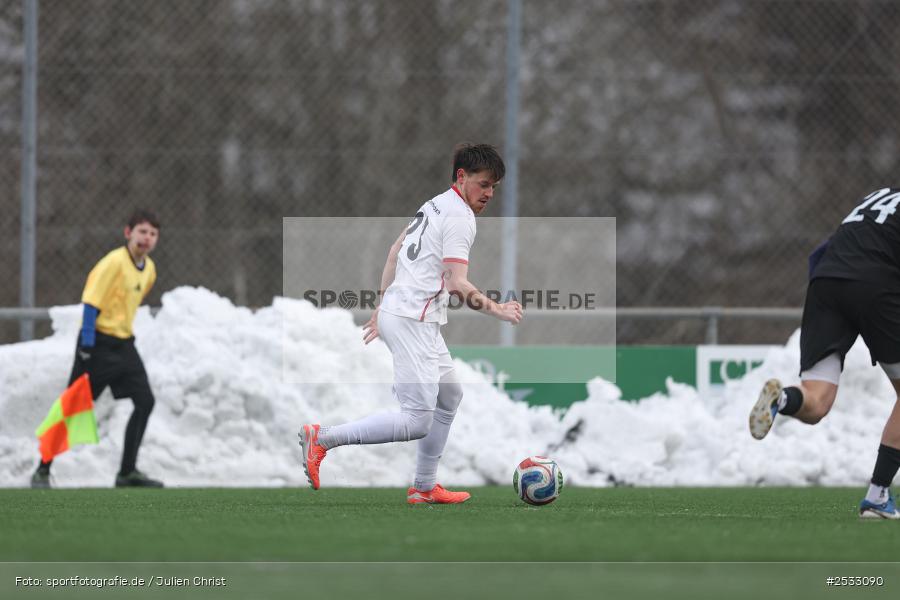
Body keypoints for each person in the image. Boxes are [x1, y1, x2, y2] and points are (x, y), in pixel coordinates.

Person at [299, 143, 523, 504]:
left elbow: (394, 252)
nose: (489, 194)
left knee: (450, 394)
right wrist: (499, 310)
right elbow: (457, 284)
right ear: (461, 177)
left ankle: (424, 485)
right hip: (410, 320)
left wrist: (382, 303)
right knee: (416, 421)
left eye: (494, 187)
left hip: (409, 316)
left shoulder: (434, 203)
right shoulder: (459, 218)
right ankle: (322, 438)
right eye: (483, 184)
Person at [749, 187, 900, 519]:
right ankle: (877, 496)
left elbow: (823, 251)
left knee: (816, 403)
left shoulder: (878, 196)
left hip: (825, 282)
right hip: (874, 285)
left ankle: (782, 400)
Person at [31, 210, 164, 489]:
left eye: (152, 234)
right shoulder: (113, 263)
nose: (146, 238)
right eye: (142, 232)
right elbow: (91, 304)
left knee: (145, 401)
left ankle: (127, 472)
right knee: (72, 406)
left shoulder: (149, 269)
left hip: (124, 345)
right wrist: (88, 345)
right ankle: (42, 469)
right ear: (128, 233)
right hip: (98, 344)